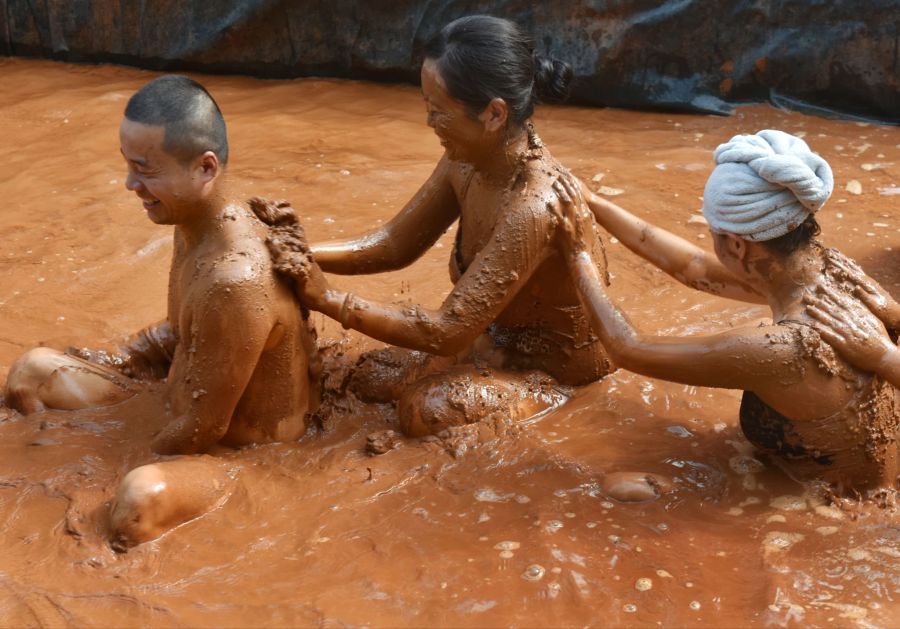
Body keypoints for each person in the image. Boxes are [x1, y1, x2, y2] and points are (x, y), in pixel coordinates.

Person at [4, 76, 318, 548]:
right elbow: (180, 334)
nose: (131, 184)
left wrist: (110, 457)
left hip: (241, 457)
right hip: (178, 412)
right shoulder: (188, 218)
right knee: (32, 373)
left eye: (144, 170)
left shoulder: (235, 278)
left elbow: (204, 428)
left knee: (136, 501)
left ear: (205, 168)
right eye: (128, 167)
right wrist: (117, 364)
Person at [266, 15, 613, 437]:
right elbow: (393, 244)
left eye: (437, 111)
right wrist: (295, 254)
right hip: (494, 344)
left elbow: (448, 330)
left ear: (493, 114)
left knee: (423, 410)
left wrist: (328, 299)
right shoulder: (465, 160)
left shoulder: (534, 207)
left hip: (558, 375)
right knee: (367, 378)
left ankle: (552, 405)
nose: (429, 124)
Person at [551, 129, 898, 495]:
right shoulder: (832, 272)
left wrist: (576, 252)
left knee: (619, 488)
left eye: (714, 233)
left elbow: (627, 348)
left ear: (736, 246)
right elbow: (694, 268)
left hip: (834, 511)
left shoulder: (781, 348)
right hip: (843, 471)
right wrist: (593, 203)